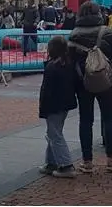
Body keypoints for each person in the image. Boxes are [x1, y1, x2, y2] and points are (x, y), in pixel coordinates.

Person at [68, 1, 112, 174]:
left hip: (83, 82)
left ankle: (87, 161)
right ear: (99, 13)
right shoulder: (108, 33)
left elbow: (70, 63)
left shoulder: (74, 34)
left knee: (85, 120)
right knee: (109, 118)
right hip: (106, 81)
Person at [38, 35, 77, 179]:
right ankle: (51, 162)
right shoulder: (67, 63)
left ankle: (66, 165)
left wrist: (43, 109)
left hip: (53, 105)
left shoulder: (52, 67)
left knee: (55, 135)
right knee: (53, 133)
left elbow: (47, 91)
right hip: (64, 104)